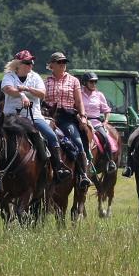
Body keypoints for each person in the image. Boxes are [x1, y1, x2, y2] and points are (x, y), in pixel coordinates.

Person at [0, 50, 70, 183]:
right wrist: (21, 94)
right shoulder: (9, 76)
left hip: (33, 117)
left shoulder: (35, 77)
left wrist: (26, 89)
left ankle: (58, 168)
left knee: (51, 136)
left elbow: (42, 94)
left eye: (31, 62)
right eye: (27, 62)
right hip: (11, 117)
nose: (30, 65)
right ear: (17, 64)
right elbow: (8, 89)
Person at [43, 52, 92, 189]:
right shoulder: (45, 82)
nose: (63, 64)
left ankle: (83, 175)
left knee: (77, 141)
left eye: (64, 62)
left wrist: (82, 116)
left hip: (67, 117)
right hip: (49, 117)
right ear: (52, 65)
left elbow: (79, 101)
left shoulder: (73, 81)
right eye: (59, 62)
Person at [81, 71, 116, 173]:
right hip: (83, 122)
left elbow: (106, 110)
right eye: (91, 82)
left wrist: (106, 121)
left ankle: (110, 161)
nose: (93, 84)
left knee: (105, 138)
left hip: (96, 123)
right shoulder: (79, 93)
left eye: (95, 82)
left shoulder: (99, 95)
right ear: (85, 83)